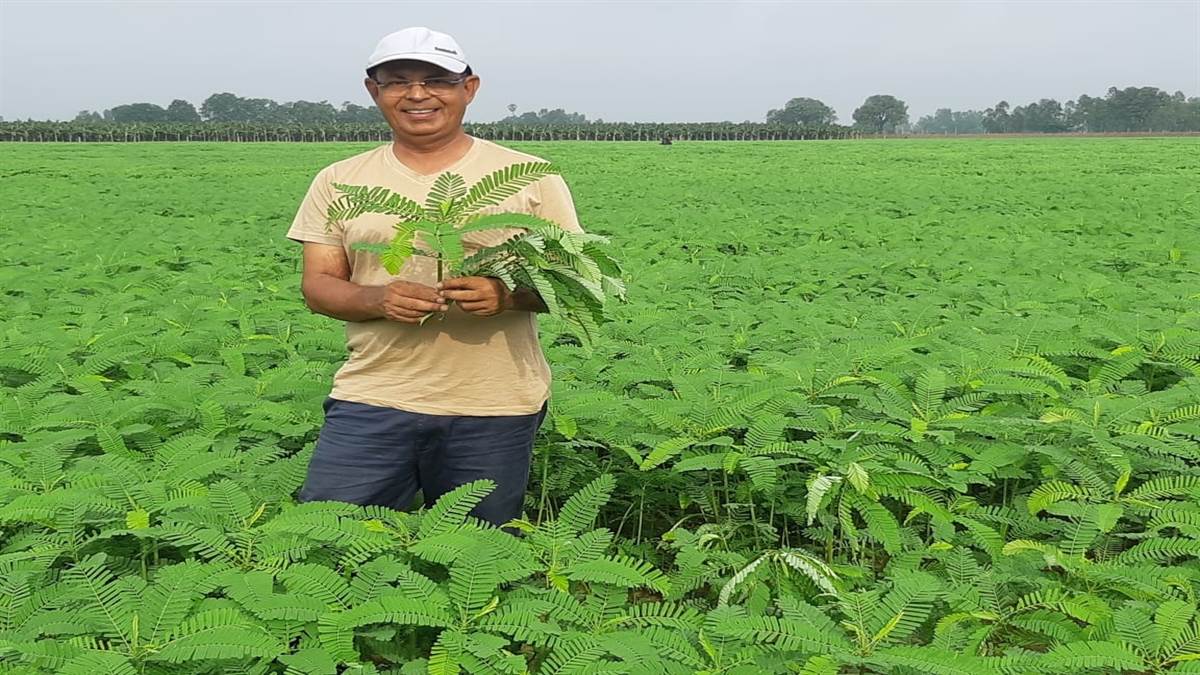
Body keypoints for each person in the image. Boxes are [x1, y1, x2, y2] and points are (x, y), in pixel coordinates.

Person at [285, 26, 584, 527]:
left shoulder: (532, 177)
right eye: (398, 80)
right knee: (327, 539)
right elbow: (318, 286)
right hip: (372, 396)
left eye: (437, 80)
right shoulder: (339, 180)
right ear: (372, 90)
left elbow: (575, 284)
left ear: (469, 88)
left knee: (477, 553)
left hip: (494, 404)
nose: (418, 94)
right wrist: (378, 299)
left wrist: (506, 295)